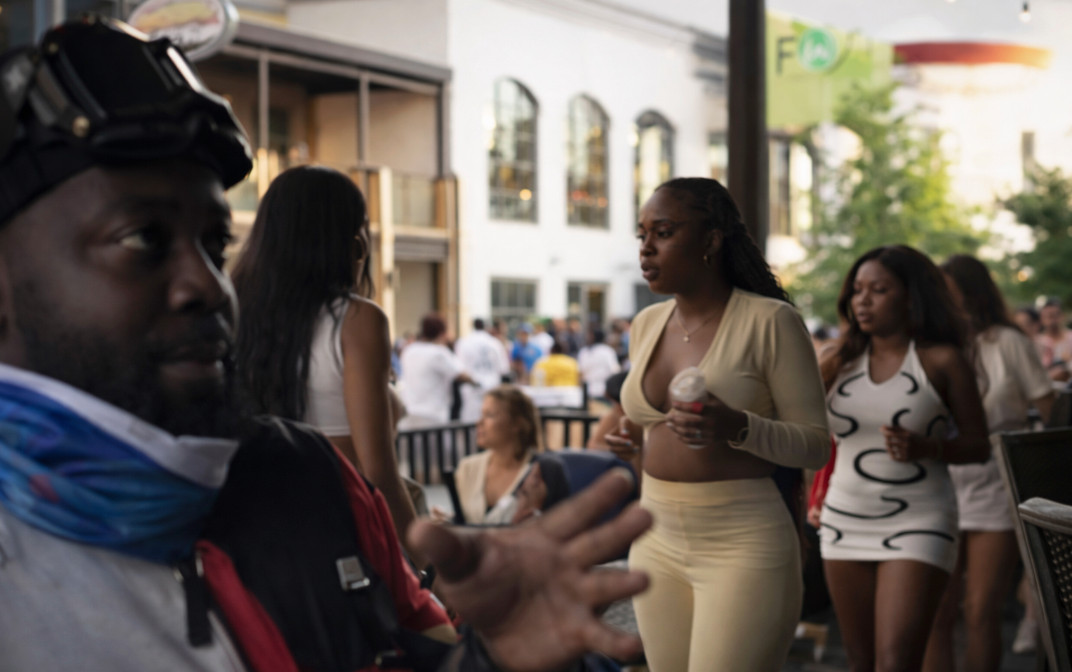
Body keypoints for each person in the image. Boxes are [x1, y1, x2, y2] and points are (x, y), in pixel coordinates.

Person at [0, 18, 653, 671]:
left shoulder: (305, 479)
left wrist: (499, 659)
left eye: (214, 243)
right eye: (141, 238)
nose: (205, 283)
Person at [615, 177, 830, 671]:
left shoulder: (771, 322)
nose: (647, 248)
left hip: (742, 542)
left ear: (711, 240)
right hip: (655, 536)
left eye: (664, 232)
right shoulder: (646, 324)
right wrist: (632, 438)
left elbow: (816, 445)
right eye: (641, 234)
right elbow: (656, 426)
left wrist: (737, 425)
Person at [232, 164, 424, 565]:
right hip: (339, 532)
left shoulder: (234, 309)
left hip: (250, 528)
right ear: (352, 243)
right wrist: (432, 573)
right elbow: (378, 473)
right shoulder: (357, 321)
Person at [818, 245, 990, 672]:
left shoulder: (942, 360)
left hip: (920, 519)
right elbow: (809, 439)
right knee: (859, 661)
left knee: (896, 662)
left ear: (911, 296)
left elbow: (980, 444)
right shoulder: (836, 362)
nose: (863, 300)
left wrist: (928, 448)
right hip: (844, 518)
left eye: (879, 289)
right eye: (857, 289)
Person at [922, 255, 1055, 672]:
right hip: (939, 481)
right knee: (935, 612)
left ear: (971, 291)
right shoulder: (934, 344)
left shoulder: (1009, 342)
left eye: (949, 289)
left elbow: (1051, 413)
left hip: (996, 482)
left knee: (981, 609)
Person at [450, 386, 567, 525]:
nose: (479, 423)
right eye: (481, 415)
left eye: (490, 415)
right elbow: (462, 520)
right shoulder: (467, 467)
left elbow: (561, 527)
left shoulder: (545, 470)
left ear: (517, 423)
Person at [397, 314, 472, 428]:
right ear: (442, 332)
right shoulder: (439, 352)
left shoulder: (409, 350)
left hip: (409, 412)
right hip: (433, 416)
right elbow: (462, 375)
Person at [454, 318, 510, 423]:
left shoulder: (464, 342)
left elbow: (459, 368)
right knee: (491, 421)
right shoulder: (495, 343)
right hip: (492, 387)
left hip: (471, 389)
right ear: (486, 327)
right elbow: (504, 369)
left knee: (471, 424)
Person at [578, 328, 622, 400]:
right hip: (589, 392)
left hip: (603, 392)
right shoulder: (584, 351)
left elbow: (614, 371)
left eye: (590, 335)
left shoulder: (607, 351)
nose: (587, 337)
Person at [1037, 297, 1072, 381]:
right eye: (1048, 316)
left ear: (1062, 316)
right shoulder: (1037, 342)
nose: (1051, 320)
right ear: (1041, 319)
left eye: (1054, 315)